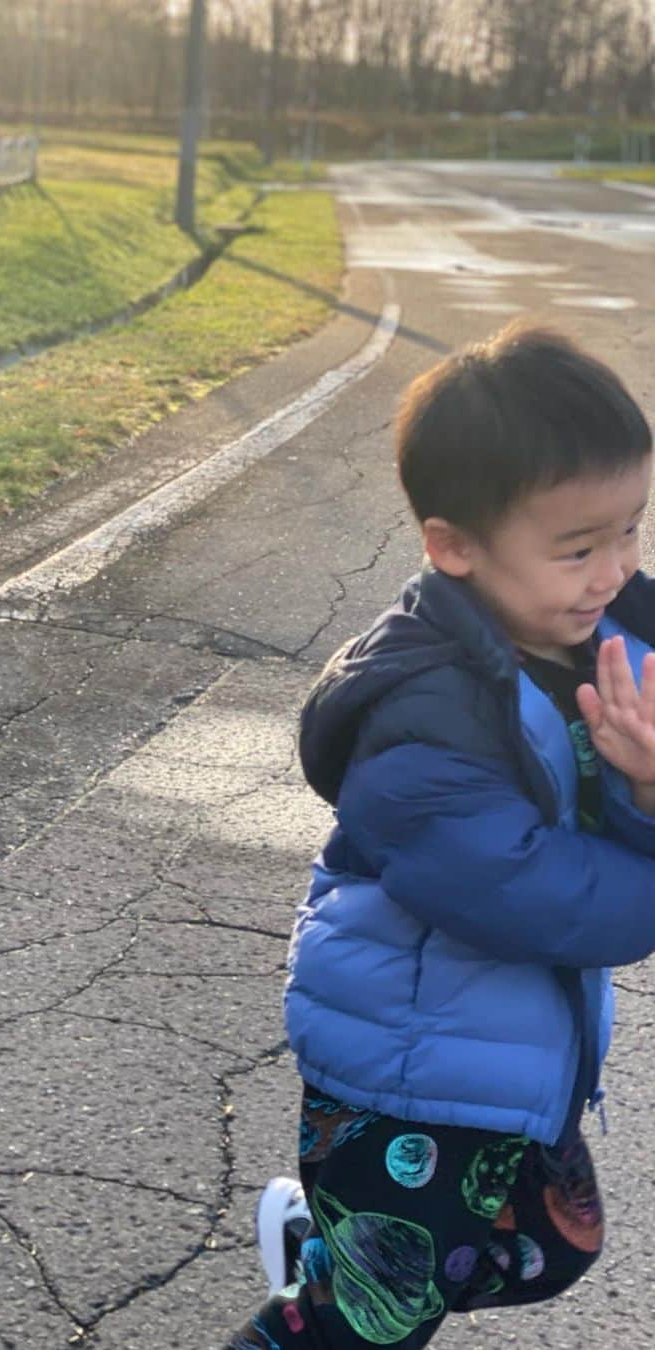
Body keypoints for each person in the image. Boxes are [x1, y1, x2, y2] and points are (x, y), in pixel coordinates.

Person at [226, 322, 655, 1350]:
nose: (611, 571)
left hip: (505, 1048)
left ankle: (324, 1259)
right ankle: (329, 1288)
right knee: (369, 1323)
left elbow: (614, 816)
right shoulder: (422, 713)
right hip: (406, 1064)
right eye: (576, 548)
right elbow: (529, 893)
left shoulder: (600, 645)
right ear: (454, 546)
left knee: (559, 1244)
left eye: (631, 532)